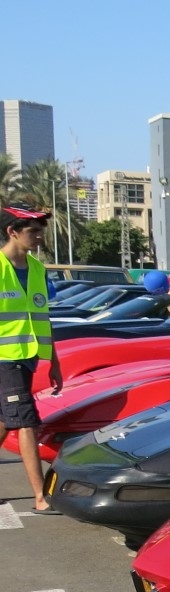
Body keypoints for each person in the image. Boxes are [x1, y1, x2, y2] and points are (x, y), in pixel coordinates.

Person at [0, 206, 62, 514]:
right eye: (33, 231)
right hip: (4, 359)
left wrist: (55, 362)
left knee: (4, 421)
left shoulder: (36, 268)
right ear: (12, 232)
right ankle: (40, 496)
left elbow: (42, 317)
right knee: (26, 421)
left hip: (27, 357)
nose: (39, 237)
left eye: (40, 231)